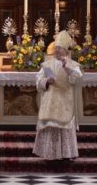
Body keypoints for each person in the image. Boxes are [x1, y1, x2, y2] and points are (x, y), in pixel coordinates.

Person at [33, 30, 83, 160]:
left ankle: (66, 154)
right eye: (56, 48)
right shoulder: (47, 64)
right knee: (50, 125)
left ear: (66, 50)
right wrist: (46, 82)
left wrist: (67, 68)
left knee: (64, 125)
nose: (57, 51)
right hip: (50, 100)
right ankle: (49, 154)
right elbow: (38, 81)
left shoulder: (73, 64)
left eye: (60, 48)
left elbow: (76, 80)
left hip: (65, 100)